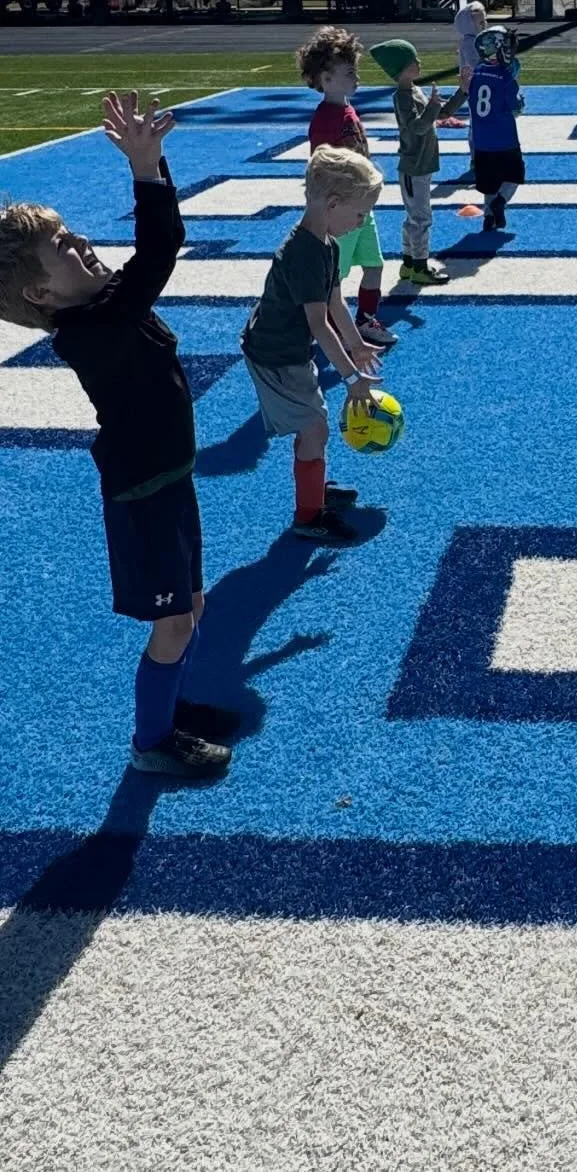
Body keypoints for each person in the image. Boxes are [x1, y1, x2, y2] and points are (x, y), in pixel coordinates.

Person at [0, 92, 231, 779]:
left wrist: (151, 168)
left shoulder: (100, 306)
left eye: (72, 233)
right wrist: (145, 168)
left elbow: (150, 259)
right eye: (62, 248)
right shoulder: (92, 328)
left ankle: (173, 710)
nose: (81, 243)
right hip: (143, 493)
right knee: (174, 621)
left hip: (169, 477)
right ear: (40, 295)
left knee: (192, 605)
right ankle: (151, 741)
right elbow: (160, 250)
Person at [240, 144, 384, 545]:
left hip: (289, 349)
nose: (361, 222)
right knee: (315, 427)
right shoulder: (303, 252)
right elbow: (318, 324)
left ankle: (314, 489)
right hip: (274, 354)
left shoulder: (328, 244)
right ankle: (309, 515)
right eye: (360, 214)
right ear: (333, 203)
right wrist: (352, 378)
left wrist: (356, 345)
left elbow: (336, 302)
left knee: (314, 427)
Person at [296, 25, 396, 349]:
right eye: (349, 73)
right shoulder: (325, 120)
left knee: (374, 265)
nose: (357, 78)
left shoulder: (346, 110)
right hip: (341, 211)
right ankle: (328, 326)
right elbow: (321, 169)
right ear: (326, 79)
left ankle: (365, 319)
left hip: (361, 207)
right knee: (334, 277)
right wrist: (329, 209)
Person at [369, 38, 467, 286]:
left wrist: (462, 91)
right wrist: (432, 106)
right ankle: (420, 267)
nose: (419, 62)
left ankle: (410, 263)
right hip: (415, 167)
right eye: (413, 59)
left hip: (422, 165)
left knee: (414, 217)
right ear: (402, 68)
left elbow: (441, 114)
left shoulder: (414, 90)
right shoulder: (403, 96)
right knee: (421, 219)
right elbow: (418, 127)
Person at [468, 25, 526, 231]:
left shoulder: (477, 72)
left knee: (489, 183)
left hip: (481, 140)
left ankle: (488, 218)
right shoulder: (505, 78)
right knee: (514, 176)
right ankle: (500, 202)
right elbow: (516, 108)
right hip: (505, 139)